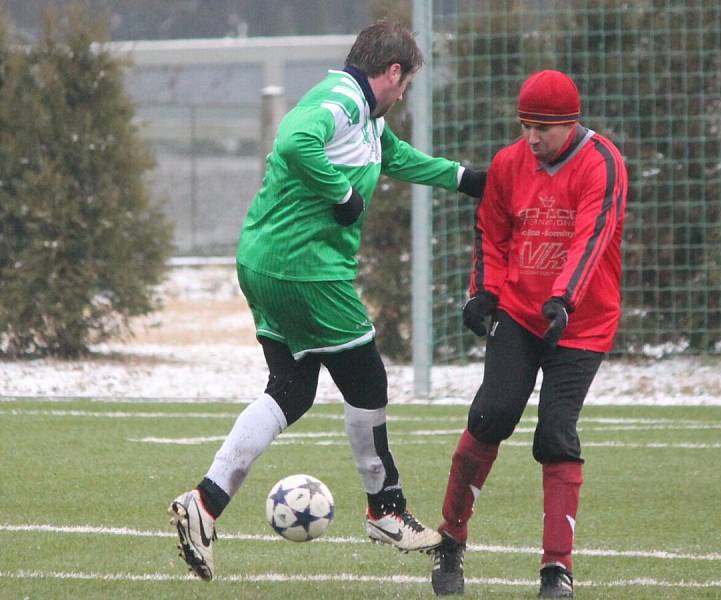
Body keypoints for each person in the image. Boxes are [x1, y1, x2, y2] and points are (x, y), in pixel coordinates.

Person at [167, 20, 486, 582]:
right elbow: (294, 139)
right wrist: (340, 193)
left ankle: (206, 501)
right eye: (405, 82)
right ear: (391, 73)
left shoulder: (367, 119)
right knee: (367, 380)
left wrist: (467, 179)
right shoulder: (340, 98)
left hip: (265, 262)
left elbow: (399, 158)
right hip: (305, 271)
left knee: (291, 390)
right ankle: (385, 509)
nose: (403, 93)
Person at [430, 69, 628, 598]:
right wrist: (483, 292)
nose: (532, 138)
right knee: (491, 416)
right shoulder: (509, 163)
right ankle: (450, 541)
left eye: (543, 127)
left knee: (555, 434)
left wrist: (563, 298)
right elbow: (490, 234)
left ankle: (555, 569)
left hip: (580, 322)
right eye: (525, 127)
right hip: (519, 314)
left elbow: (592, 237)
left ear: (570, 123)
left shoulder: (603, 164)